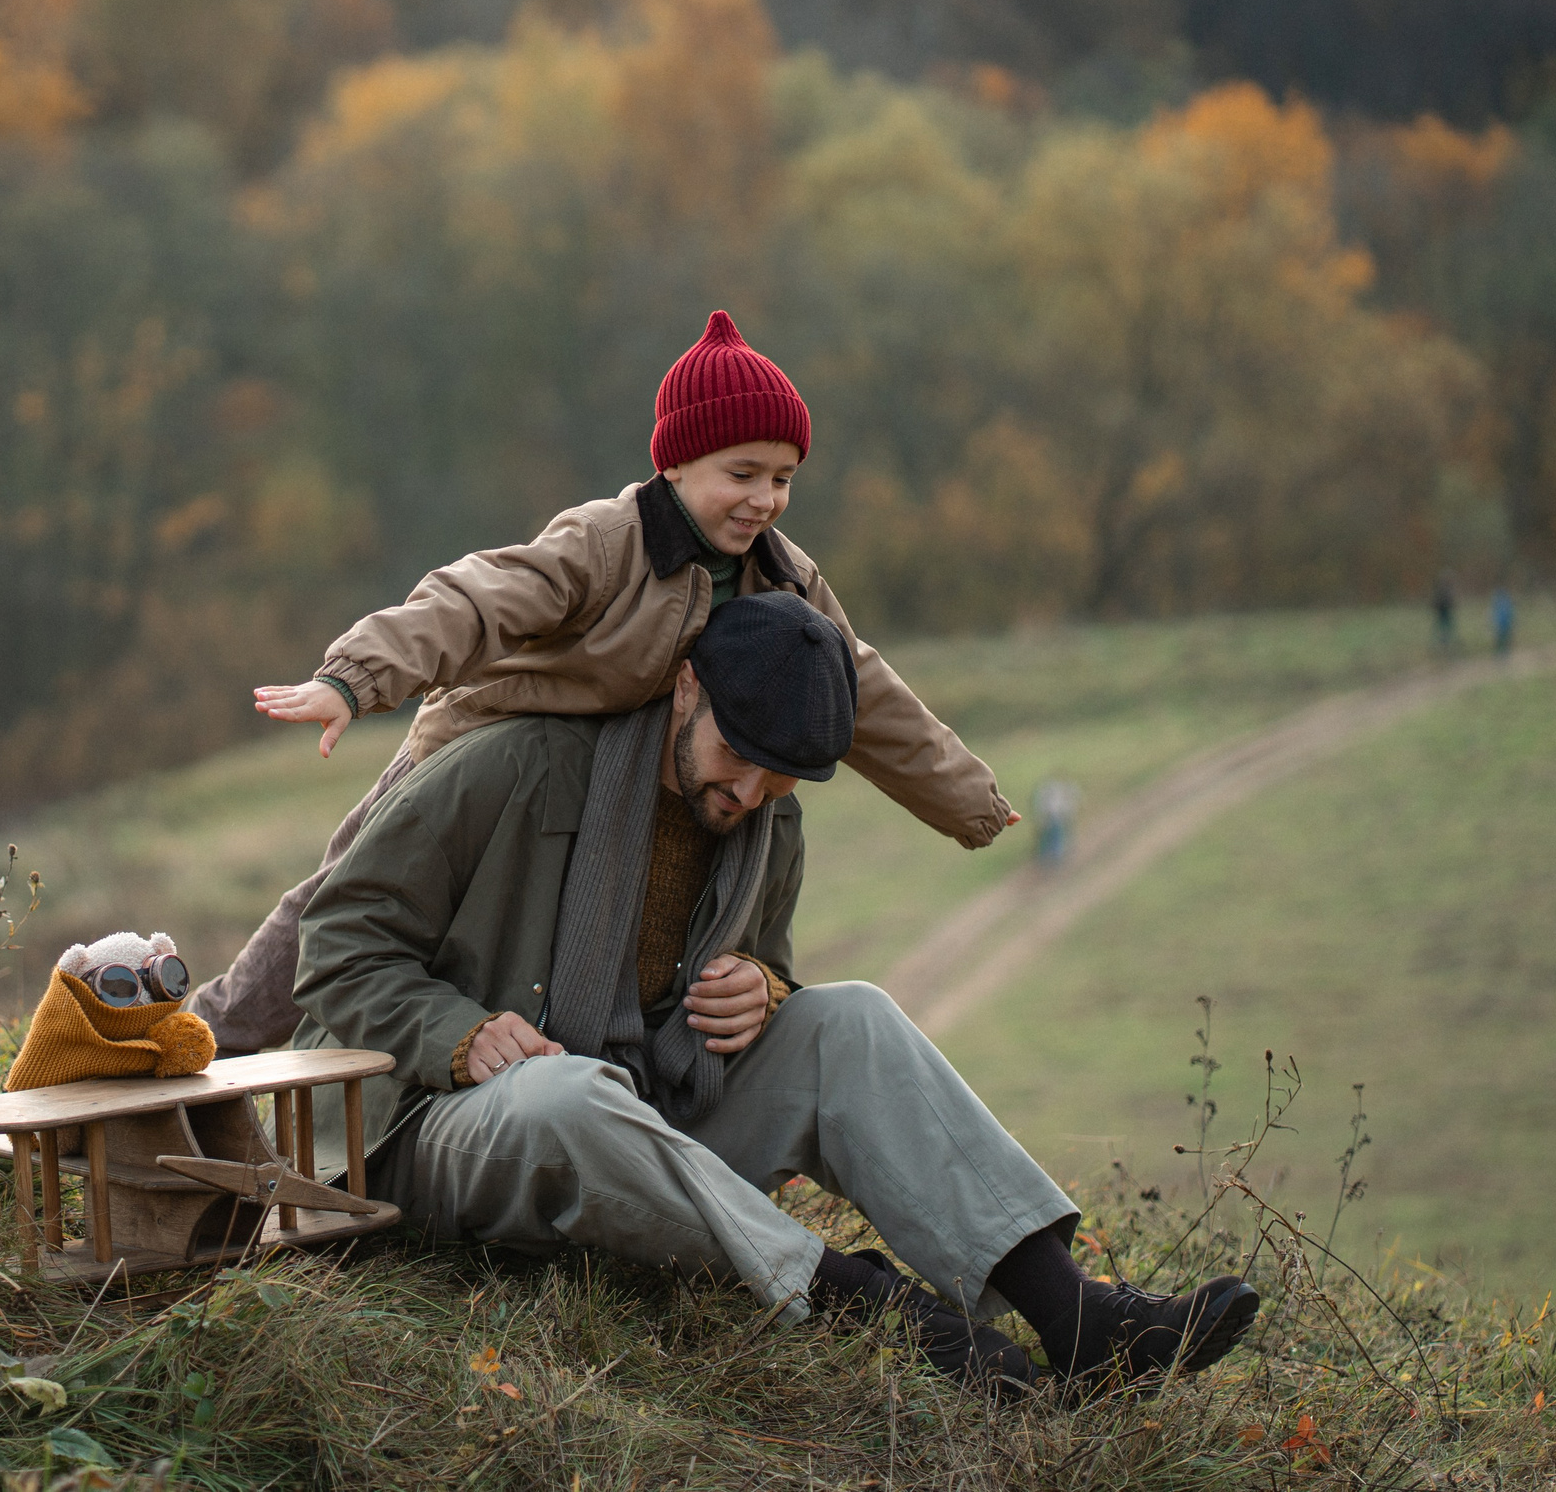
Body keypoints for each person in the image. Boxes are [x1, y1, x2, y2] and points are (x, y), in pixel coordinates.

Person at [292, 592, 1262, 1393]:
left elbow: (766, 965)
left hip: (647, 1118)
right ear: (684, 688)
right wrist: (456, 1033)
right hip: (444, 1129)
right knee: (565, 1094)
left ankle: (1078, 1316)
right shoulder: (518, 767)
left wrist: (765, 987)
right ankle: (864, 1306)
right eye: (737, 753)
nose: (749, 792)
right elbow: (335, 943)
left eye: (781, 778)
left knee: (852, 1019)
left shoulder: (765, 823)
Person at [187, 310, 1016, 1054]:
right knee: (341, 895)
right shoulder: (607, 543)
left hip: (597, 780)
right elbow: (474, 602)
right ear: (679, 463)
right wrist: (355, 678)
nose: (765, 498)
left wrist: (968, 799)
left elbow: (861, 689)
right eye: (743, 472)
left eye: (783, 478)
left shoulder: (785, 582)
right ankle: (205, 1036)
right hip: (481, 754)